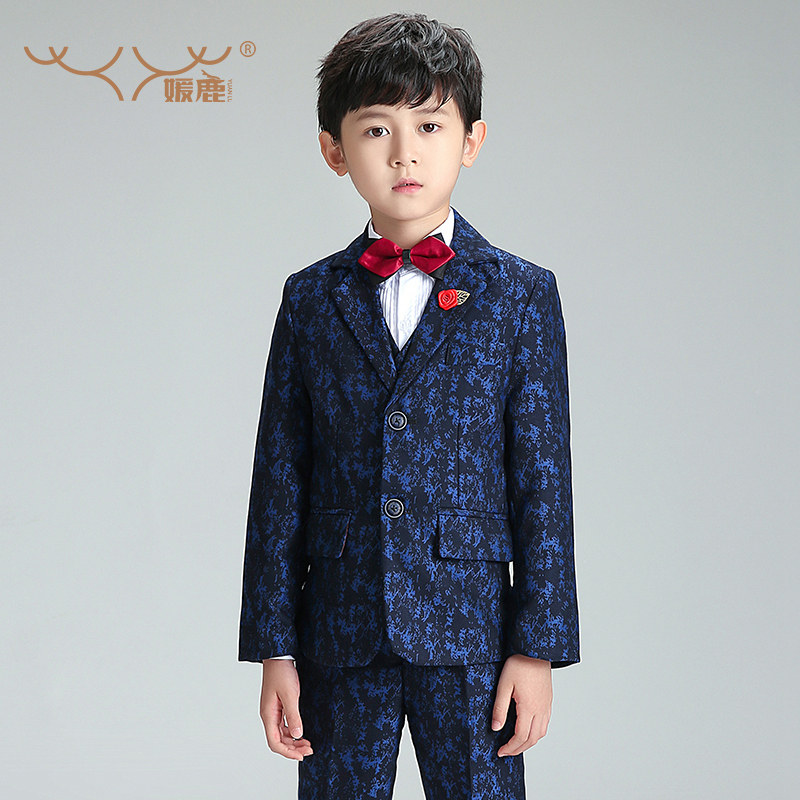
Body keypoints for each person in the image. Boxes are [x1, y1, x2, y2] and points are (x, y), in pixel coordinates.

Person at [238, 12, 580, 799]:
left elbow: (543, 480)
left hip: (473, 632)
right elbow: (280, 479)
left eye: (429, 125)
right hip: (337, 629)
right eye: (375, 130)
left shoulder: (520, 295)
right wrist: (275, 648)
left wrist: (536, 647)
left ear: (472, 140)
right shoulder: (310, 299)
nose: (404, 152)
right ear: (334, 150)